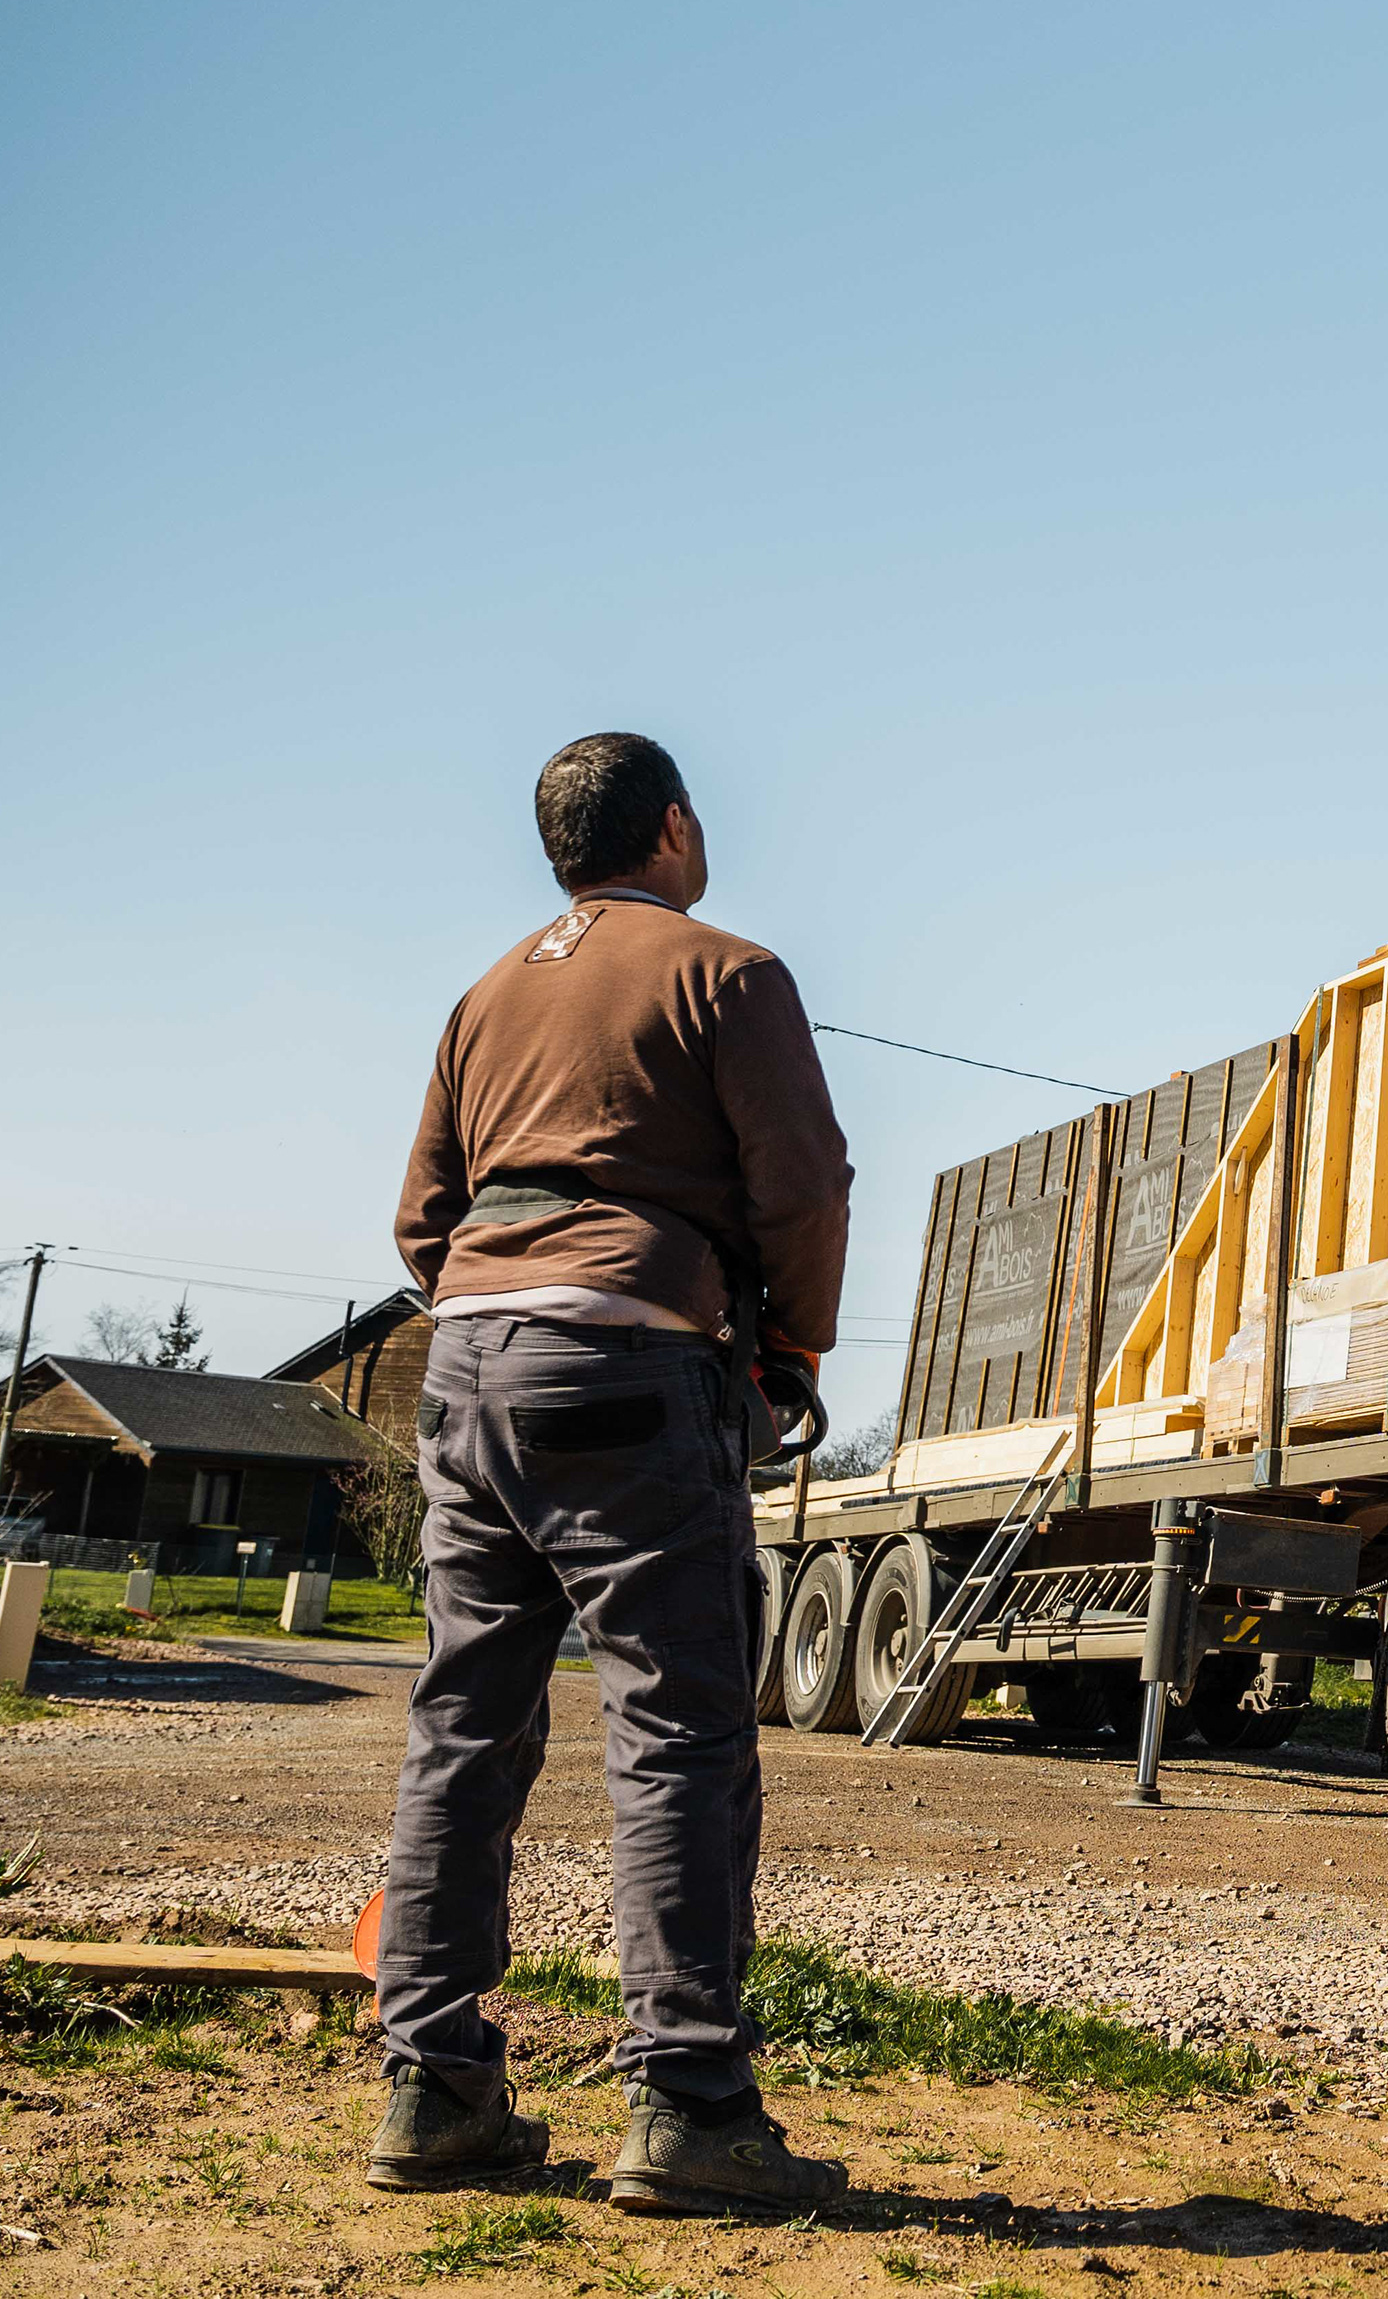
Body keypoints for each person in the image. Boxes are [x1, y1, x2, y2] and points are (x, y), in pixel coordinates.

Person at [370, 732, 852, 2214]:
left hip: (468, 1366)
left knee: (465, 1724)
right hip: (635, 1367)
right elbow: (804, 1188)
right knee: (677, 1733)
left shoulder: (485, 995)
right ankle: (690, 2105)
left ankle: (434, 2091)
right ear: (676, 828)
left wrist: (498, 1304)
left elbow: (423, 1217)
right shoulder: (728, 973)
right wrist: (791, 1349)